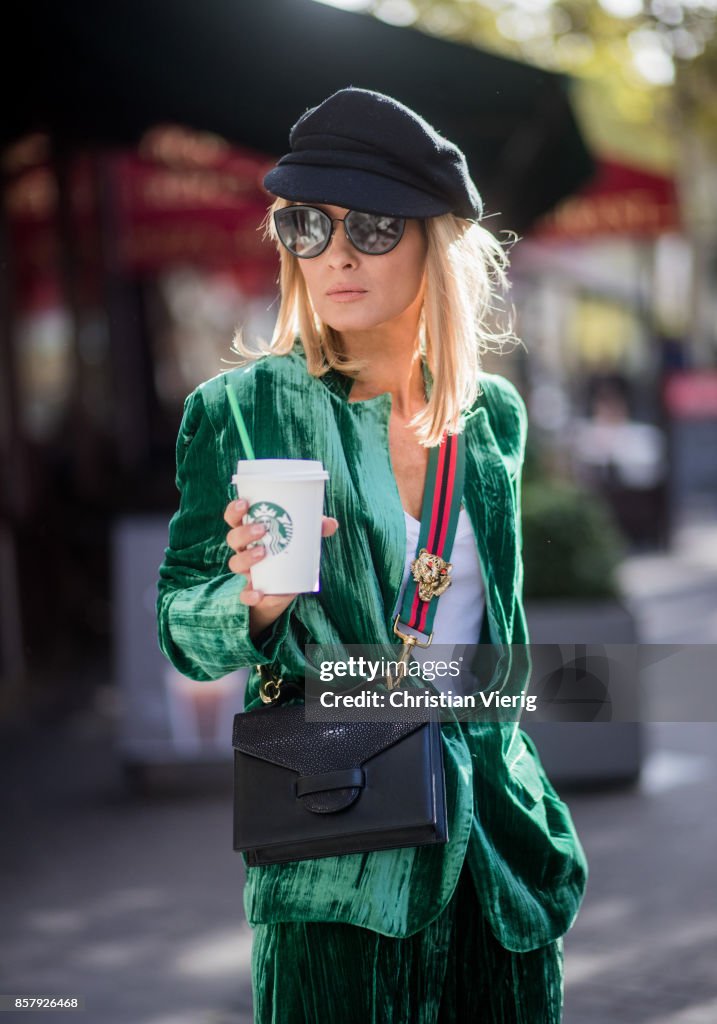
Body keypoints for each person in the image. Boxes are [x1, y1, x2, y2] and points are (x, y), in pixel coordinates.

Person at [157, 87, 588, 1024]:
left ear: (435, 241)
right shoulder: (238, 411)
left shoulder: (492, 420)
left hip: (495, 858)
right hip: (337, 850)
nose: (336, 252)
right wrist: (255, 595)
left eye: (372, 226)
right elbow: (183, 630)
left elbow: (495, 639)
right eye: (307, 225)